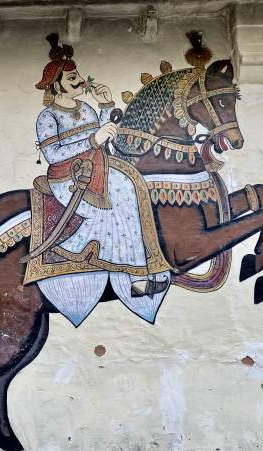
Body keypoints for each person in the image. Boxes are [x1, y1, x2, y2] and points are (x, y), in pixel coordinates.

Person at [34, 33, 168, 297]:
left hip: (96, 167)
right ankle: (137, 279)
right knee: (122, 200)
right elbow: (53, 155)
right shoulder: (47, 116)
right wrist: (92, 140)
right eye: (71, 78)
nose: (80, 81)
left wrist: (106, 105)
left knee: (134, 189)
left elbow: (101, 134)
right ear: (57, 86)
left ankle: (143, 270)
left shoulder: (86, 108)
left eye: (78, 76)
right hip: (69, 178)